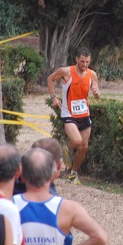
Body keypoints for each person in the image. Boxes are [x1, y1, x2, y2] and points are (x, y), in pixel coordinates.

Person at [13, 148, 108, 245]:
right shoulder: (69, 209)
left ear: (21, 176)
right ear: (53, 176)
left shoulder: (8, 205)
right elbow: (100, 237)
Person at [47, 47, 101, 185]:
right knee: (76, 141)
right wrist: (54, 98)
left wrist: (96, 93)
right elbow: (50, 79)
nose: (84, 65)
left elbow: (97, 95)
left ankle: (73, 174)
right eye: (82, 61)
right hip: (69, 114)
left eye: (87, 62)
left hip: (84, 114)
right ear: (77, 59)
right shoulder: (66, 72)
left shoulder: (92, 75)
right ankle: (66, 148)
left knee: (84, 147)